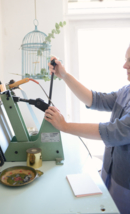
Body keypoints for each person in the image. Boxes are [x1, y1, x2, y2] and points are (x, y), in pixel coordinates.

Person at [45, 46, 130, 214]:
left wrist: (65, 126)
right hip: (109, 178)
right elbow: (95, 99)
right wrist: (64, 75)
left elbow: (113, 132)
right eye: (126, 59)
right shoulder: (126, 91)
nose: (124, 66)